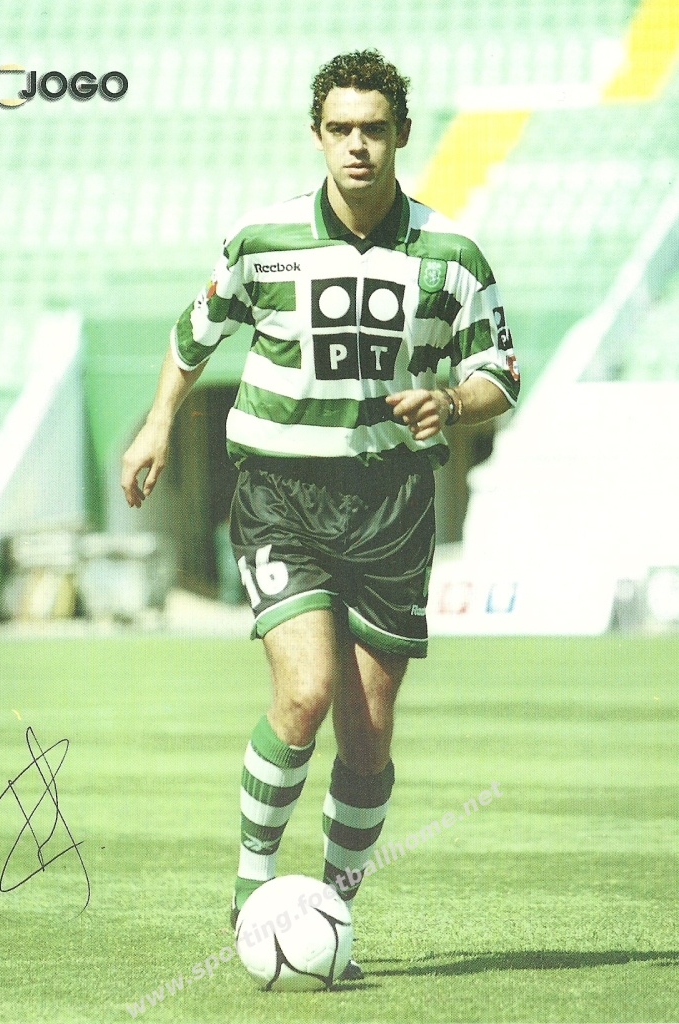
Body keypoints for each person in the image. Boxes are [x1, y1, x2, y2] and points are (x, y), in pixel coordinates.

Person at [121, 49, 520, 979]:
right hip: (281, 495)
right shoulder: (261, 241)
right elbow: (192, 336)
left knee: (367, 736)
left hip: (390, 507)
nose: (356, 145)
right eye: (339, 129)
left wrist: (449, 401)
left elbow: (499, 373)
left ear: (400, 135)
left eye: (372, 129)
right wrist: (157, 423)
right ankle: (249, 893)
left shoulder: (451, 255)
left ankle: (330, 914)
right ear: (316, 135)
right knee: (302, 695)